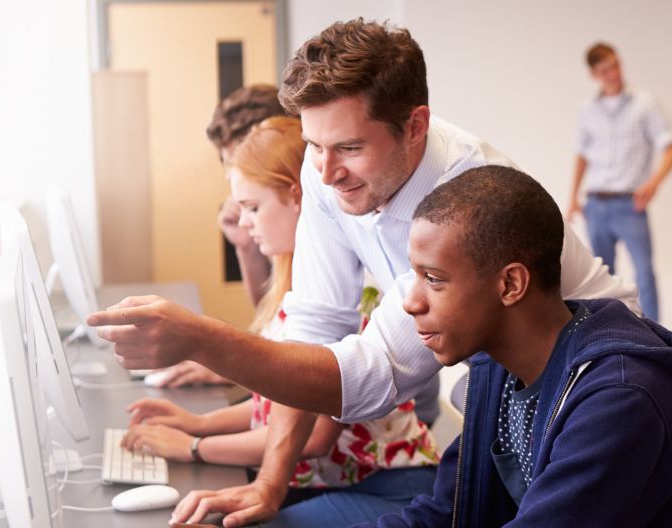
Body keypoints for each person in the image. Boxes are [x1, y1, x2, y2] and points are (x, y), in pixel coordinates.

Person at [87, 19, 637, 526]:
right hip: (503, 388)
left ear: (415, 126)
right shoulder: (328, 164)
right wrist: (270, 484)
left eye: (349, 147)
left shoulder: (467, 197)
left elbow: (368, 380)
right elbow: (314, 327)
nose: (324, 173)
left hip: (579, 392)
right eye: (313, 146)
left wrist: (200, 340)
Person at [122, 116, 438, 526]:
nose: (245, 222)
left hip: (391, 488)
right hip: (336, 482)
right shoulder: (293, 291)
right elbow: (273, 405)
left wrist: (194, 446)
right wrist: (201, 424)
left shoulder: (351, 298)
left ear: (297, 196)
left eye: (253, 207)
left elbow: (317, 434)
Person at [362, 165, 672, 526]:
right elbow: (447, 513)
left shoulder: (618, 398)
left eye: (433, 279)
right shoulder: (498, 374)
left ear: (510, 284)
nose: (411, 303)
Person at [157, 84, 291, 388]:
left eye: (238, 161)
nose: (231, 177)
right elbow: (272, 318)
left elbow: (305, 363)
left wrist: (231, 367)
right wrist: (244, 246)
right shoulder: (267, 220)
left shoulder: (293, 216)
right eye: (226, 163)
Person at [566, 42, 671, 322]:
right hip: (596, 204)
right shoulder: (588, 110)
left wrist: (653, 184)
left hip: (630, 203)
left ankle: (654, 338)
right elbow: (582, 155)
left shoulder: (644, 104)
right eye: (605, 70)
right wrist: (573, 198)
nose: (613, 73)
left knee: (644, 273)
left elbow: (668, 146)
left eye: (615, 65)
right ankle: (611, 335)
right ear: (594, 74)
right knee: (602, 277)